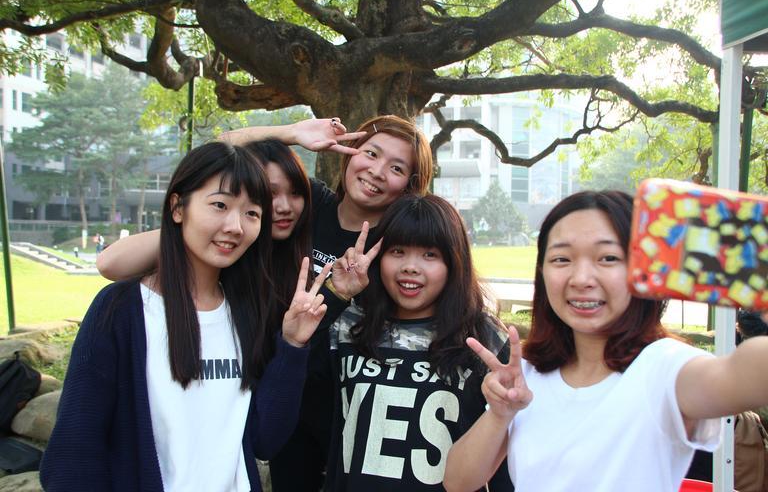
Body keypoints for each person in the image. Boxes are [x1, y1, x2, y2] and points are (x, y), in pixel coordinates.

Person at [95, 116, 435, 491]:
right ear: (349, 153)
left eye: (396, 168)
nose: (377, 171)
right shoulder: (307, 205)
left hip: (356, 407)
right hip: (285, 400)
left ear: (410, 184)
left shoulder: (399, 242)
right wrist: (292, 134)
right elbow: (222, 154)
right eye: (370, 153)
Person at [40, 142, 330, 492]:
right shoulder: (122, 310)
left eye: (252, 213)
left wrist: (292, 345)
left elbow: (264, 440)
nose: (235, 226)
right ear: (178, 208)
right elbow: (73, 453)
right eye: (220, 205)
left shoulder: (247, 312)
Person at [444, 190, 768, 492]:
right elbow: (459, 482)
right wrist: (500, 413)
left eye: (608, 258)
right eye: (561, 259)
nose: (582, 279)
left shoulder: (666, 368)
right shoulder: (527, 374)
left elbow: (750, 372)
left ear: (641, 269)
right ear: (541, 271)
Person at [323, 194, 513, 491]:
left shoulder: (484, 338)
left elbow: (504, 455)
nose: (410, 267)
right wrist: (335, 297)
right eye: (397, 251)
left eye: (430, 254)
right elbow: (307, 402)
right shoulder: (348, 324)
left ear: (454, 262)